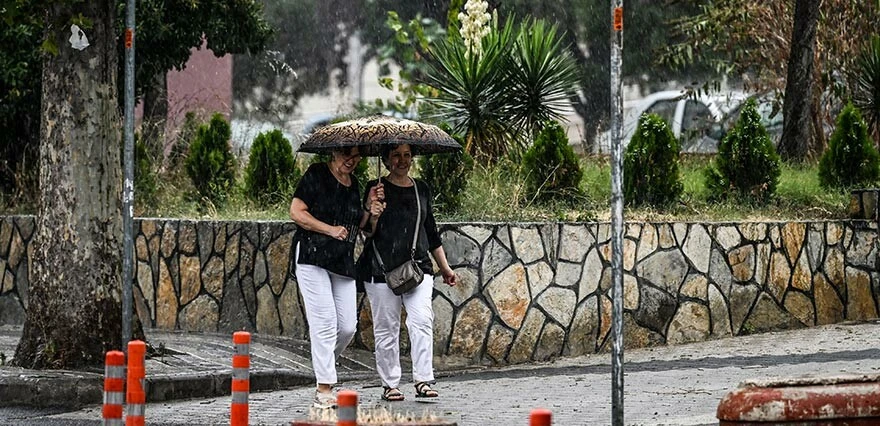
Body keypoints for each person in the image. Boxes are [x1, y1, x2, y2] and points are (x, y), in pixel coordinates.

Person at [357, 143, 457, 402]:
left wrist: (444, 267)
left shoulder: (420, 188)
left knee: (422, 320)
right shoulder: (374, 188)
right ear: (386, 160)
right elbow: (366, 232)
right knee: (386, 328)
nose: (402, 160)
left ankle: (423, 379)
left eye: (407, 155)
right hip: (381, 270)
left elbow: (430, 230)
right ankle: (390, 384)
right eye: (395, 155)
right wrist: (373, 211)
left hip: (418, 268)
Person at [289, 146, 383, 409]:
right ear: (333, 153)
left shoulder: (354, 185)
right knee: (326, 323)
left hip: (341, 261)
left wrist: (371, 211)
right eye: (346, 155)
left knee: (347, 327)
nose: (351, 161)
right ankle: (324, 388)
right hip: (312, 255)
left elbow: (363, 226)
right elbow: (296, 212)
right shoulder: (317, 173)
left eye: (356, 156)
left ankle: (323, 366)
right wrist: (329, 230)